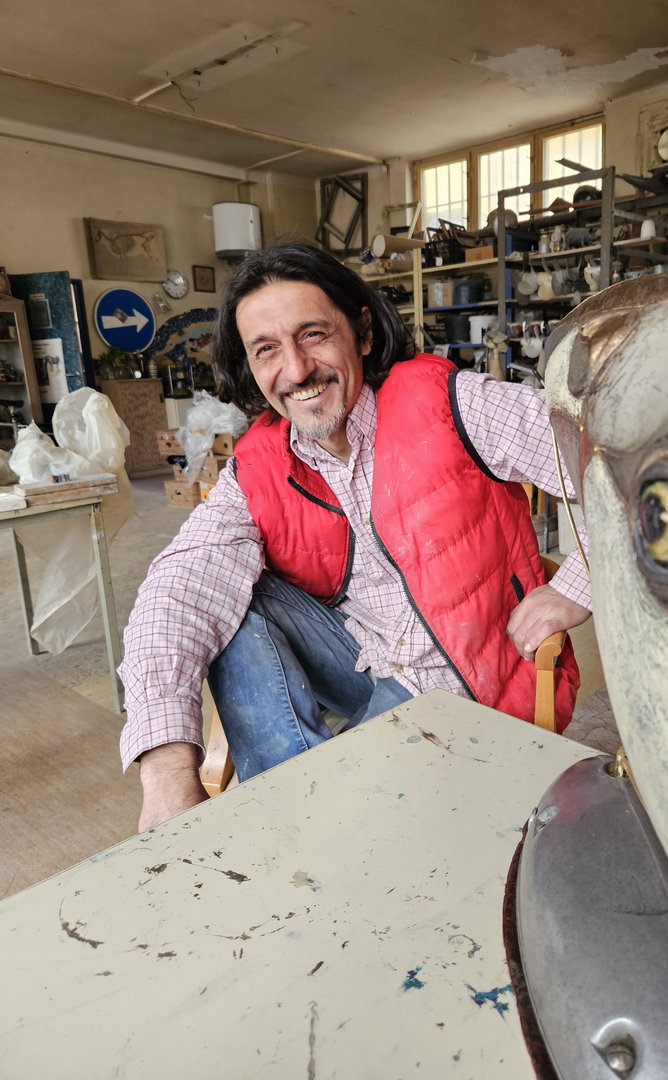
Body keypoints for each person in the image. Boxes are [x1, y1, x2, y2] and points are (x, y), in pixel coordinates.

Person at [120, 241, 591, 830]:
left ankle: (296, 826)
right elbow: (178, 588)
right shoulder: (258, 465)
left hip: (466, 676)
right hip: (362, 661)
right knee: (223, 596)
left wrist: (577, 583)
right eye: (267, 349)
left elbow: (619, 460)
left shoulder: (451, 404)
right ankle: (301, 817)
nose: (297, 370)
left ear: (362, 332)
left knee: (337, 820)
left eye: (313, 335)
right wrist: (167, 771)